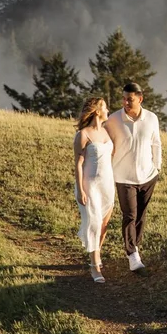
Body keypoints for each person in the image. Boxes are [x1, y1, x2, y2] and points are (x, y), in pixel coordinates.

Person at [104, 81, 162, 274]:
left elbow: (156, 143)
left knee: (141, 215)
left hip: (148, 176)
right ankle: (132, 255)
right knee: (130, 215)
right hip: (123, 176)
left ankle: (135, 247)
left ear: (140, 99)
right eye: (124, 99)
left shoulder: (152, 118)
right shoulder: (113, 120)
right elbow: (101, 139)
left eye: (130, 99)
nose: (125, 103)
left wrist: (157, 167)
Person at [72, 96, 116, 283]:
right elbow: (78, 164)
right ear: (97, 111)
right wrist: (81, 189)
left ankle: (97, 254)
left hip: (107, 184)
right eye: (105, 107)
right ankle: (94, 266)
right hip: (90, 185)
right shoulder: (83, 135)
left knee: (104, 225)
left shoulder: (106, 133)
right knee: (94, 223)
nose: (108, 110)